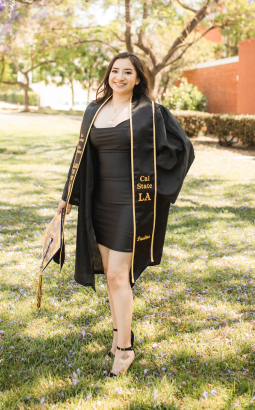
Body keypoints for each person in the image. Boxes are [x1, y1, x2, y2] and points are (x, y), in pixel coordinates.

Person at [56, 52, 194, 377]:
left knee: (119, 275)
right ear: (108, 76)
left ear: (137, 78)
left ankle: (125, 351)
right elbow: (80, 157)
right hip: (99, 202)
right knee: (110, 272)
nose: (120, 77)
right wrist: (67, 199)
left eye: (127, 72)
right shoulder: (94, 110)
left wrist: (153, 184)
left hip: (131, 205)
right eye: (115, 71)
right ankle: (121, 335)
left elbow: (181, 149)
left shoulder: (149, 112)